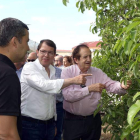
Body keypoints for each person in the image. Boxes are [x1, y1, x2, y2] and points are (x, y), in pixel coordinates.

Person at [20, 39, 91, 140]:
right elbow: (44, 85)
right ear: (37, 52)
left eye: (50, 52)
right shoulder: (29, 67)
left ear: (54, 55)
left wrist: (54, 123)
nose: (46, 55)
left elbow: (52, 99)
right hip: (30, 124)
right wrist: (72, 80)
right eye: (43, 51)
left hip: (49, 124)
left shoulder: (53, 70)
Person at [61, 44, 132, 140]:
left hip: (93, 120)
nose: (89, 59)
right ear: (76, 59)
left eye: (90, 56)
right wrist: (89, 89)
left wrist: (121, 86)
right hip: (72, 121)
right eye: (85, 57)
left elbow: (111, 85)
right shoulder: (67, 72)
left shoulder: (97, 72)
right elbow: (68, 96)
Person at [0, 17, 29, 140]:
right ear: (14, 42)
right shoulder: (7, 74)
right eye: (26, 41)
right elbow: (6, 134)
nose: (28, 48)